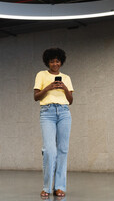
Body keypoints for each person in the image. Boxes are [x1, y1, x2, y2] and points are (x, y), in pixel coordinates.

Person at [33, 48, 74, 198]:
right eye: (52, 61)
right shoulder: (41, 75)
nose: (55, 63)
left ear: (61, 62)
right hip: (47, 113)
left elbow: (71, 101)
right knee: (50, 150)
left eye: (57, 61)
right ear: (47, 62)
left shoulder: (66, 78)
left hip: (64, 113)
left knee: (63, 150)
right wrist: (49, 87)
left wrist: (64, 88)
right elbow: (36, 96)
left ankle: (59, 187)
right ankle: (46, 187)